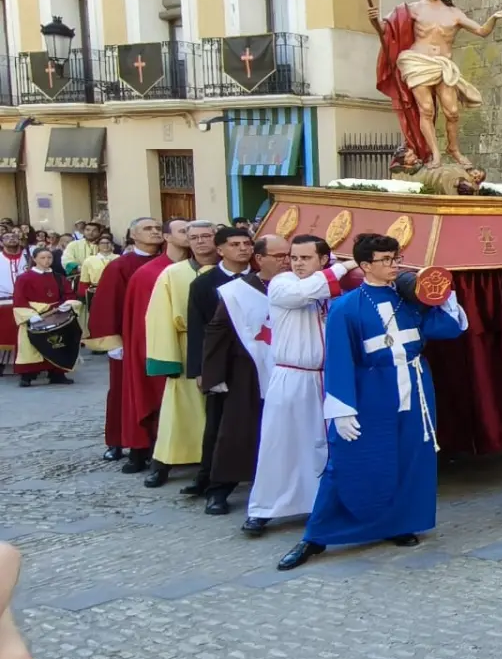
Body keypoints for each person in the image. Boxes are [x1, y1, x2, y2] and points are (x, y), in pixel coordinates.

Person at [277, 234, 468, 570]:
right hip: (371, 392)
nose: (394, 265)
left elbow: (449, 329)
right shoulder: (346, 306)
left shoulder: (409, 300)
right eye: (386, 260)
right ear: (365, 265)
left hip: (414, 387)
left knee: (410, 458)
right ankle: (316, 537)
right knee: (351, 462)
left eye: (396, 258)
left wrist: (440, 294)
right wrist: (341, 408)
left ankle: (400, 523)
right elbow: (338, 359)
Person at [249, 236, 354, 537]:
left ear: (323, 259)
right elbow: (304, 293)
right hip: (291, 376)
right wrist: (346, 265)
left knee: (323, 445)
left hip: (328, 377)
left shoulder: (334, 289)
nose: (297, 263)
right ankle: (263, 508)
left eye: (305, 258)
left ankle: (321, 504)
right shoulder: (283, 283)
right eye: (294, 257)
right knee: (279, 443)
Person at [367, 0, 502, 169]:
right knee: (426, 110)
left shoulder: (453, 13)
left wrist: (494, 17)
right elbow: (385, 31)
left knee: (452, 112)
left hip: (444, 65)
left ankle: (453, 149)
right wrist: (374, 20)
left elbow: (481, 31)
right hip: (417, 62)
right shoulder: (411, 9)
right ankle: (435, 155)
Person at [199, 234, 284, 516]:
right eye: (281, 256)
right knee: (236, 431)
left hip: (286, 370)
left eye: (291, 256)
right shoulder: (238, 292)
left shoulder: (298, 288)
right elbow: (217, 330)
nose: (288, 262)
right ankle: (220, 489)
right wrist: (213, 374)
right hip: (246, 370)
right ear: (260, 259)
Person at [141, 221, 217, 489]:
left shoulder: (228, 272)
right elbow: (159, 316)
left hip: (223, 346)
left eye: (206, 236)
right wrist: (167, 358)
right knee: (179, 410)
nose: (199, 241)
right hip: (186, 347)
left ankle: (215, 465)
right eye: (192, 236)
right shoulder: (172, 273)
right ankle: (162, 463)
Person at [84, 218, 164, 465]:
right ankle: (118, 440)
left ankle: (158, 442)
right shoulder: (121, 266)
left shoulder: (170, 263)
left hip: (160, 338)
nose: (154, 232)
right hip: (128, 341)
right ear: (133, 235)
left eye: (158, 228)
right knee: (122, 393)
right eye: (148, 229)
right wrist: (113, 343)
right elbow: (107, 304)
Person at [185, 226, 254, 500]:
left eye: (247, 243)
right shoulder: (204, 284)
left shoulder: (263, 281)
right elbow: (197, 329)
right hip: (221, 364)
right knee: (217, 425)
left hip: (256, 363)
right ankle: (212, 482)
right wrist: (201, 369)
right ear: (220, 249)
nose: (243, 249)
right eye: (235, 244)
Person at [10, 248, 79, 386]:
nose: (46, 261)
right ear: (34, 259)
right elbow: (19, 299)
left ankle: (57, 374)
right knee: (31, 347)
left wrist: (68, 304)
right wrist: (30, 316)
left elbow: (69, 294)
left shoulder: (59, 277)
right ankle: (27, 376)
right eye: (42, 258)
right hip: (34, 315)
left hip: (56, 315)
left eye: (49, 258)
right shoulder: (24, 278)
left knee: (57, 344)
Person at [0, 233, 26, 374]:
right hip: (3, 301)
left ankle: (26, 363)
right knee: (3, 334)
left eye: (14, 237)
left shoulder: (28, 257)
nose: (11, 239)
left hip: (25, 302)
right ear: (2, 242)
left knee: (23, 334)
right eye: (7, 237)